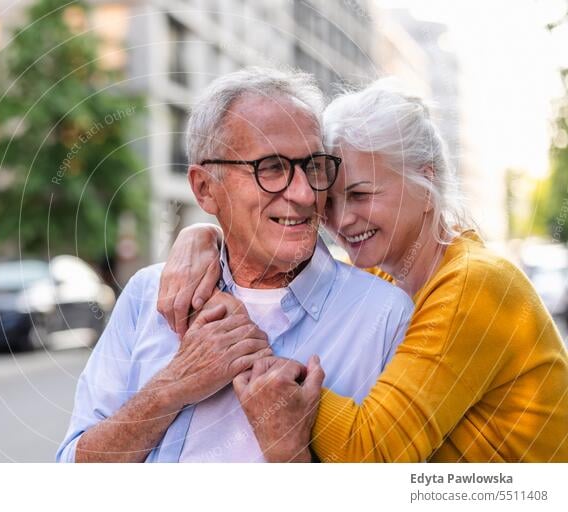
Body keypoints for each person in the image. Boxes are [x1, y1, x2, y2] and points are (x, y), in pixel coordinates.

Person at [158, 79, 568, 462]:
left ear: (426, 183)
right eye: (331, 200)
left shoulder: (475, 283)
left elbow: (373, 453)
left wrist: (237, 345)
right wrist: (206, 234)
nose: (341, 220)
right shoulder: (387, 279)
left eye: (361, 195)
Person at [56, 68, 413, 463]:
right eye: (272, 167)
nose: (304, 193)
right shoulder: (147, 294)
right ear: (205, 188)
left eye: (313, 166)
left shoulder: (384, 316)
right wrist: (170, 389)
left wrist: (290, 453)